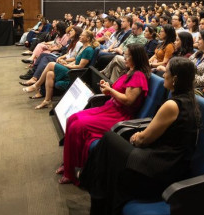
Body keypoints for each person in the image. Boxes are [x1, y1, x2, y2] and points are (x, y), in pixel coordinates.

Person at [78, 57, 199, 215]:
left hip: (160, 166)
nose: (163, 74)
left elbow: (143, 139)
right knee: (107, 158)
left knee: (108, 141)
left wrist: (136, 137)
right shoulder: (190, 100)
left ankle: (89, 192)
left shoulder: (172, 104)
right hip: (168, 161)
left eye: (167, 71)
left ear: (176, 78)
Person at [59, 44, 151, 185]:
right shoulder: (130, 71)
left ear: (136, 58)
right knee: (72, 119)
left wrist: (110, 91)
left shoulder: (138, 75)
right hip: (110, 108)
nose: (124, 58)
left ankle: (71, 172)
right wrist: (107, 88)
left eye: (128, 56)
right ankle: (68, 164)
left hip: (119, 115)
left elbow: (128, 100)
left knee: (78, 125)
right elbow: (117, 91)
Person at [29, 30, 98, 109]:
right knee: (50, 74)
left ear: (88, 38)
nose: (80, 36)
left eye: (82, 35)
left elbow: (80, 67)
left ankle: (37, 85)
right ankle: (47, 101)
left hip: (75, 74)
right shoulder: (83, 47)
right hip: (70, 69)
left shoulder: (89, 50)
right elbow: (75, 60)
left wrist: (68, 66)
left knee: (51, 64)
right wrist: (65, 63)